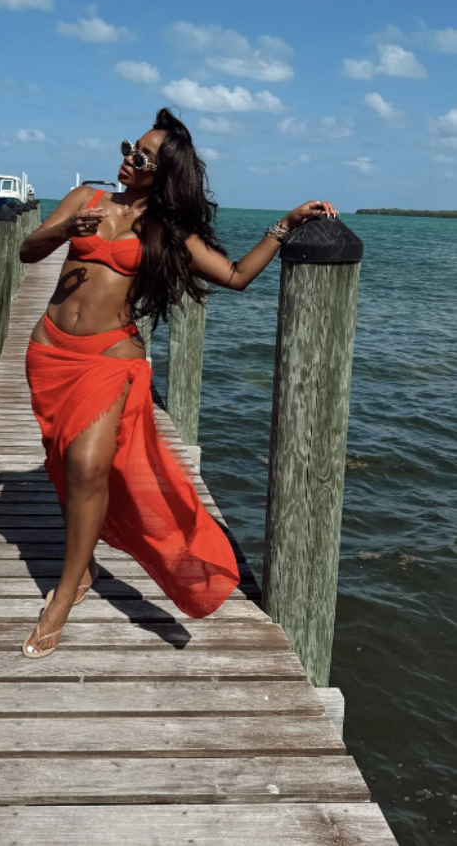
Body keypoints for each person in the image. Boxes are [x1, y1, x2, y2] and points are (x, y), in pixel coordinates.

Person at [19, 107, 339, 658]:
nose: (127, 160)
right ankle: (85, 563)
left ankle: (66, 592)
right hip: (49, 352)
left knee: (89, 465)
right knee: (63, 460)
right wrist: (60, 230)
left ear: (162, 172)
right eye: (128, 147)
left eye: (141, 157)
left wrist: (284, 227)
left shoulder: (167, 232)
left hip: (110, 359)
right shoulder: (86, 200)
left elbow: (235, 276)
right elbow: (29, 251)